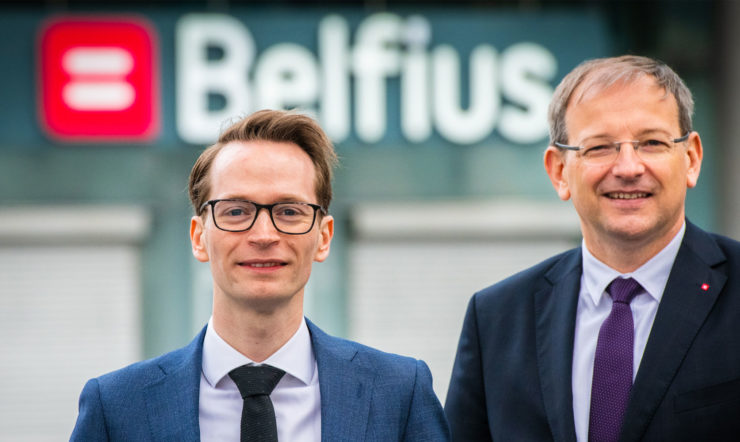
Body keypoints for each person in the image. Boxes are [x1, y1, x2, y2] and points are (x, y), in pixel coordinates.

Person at [71, 109, 449, 441]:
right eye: (235, 211)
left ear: (324, 237)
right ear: (199, 237)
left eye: (289, 211)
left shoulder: (400, 393)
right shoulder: (117, 408)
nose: (265, 235)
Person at [445, 55, 740, 441]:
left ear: (691, 158)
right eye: (600, 147)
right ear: (559, 171)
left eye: (651, 142)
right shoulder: (497, 319)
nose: (629, 167)